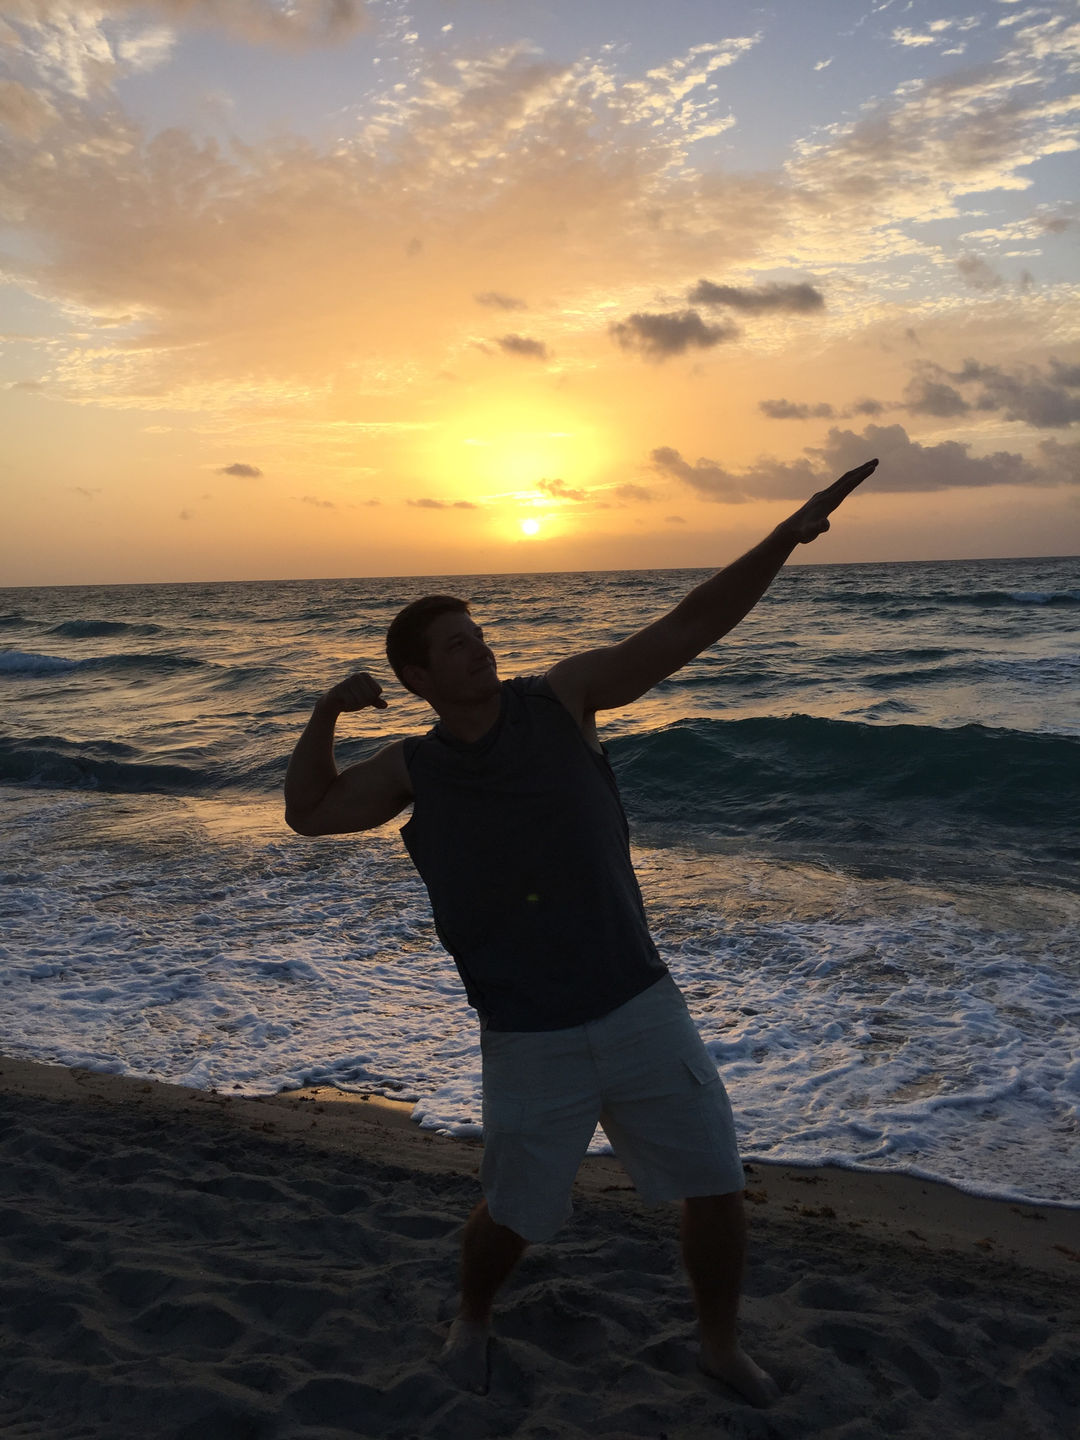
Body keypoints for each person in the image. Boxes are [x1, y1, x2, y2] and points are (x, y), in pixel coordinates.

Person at [284, 458, 878, 1407]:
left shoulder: (563, 699)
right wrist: (324, 709)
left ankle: (719, 1345)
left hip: (637, 999)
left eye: (480, 636)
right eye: (456, 646)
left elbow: (684, 628)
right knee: (514, 1212)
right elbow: (309, 813)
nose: (480, 652)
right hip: (529, 1030)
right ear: (417, 677)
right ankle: (472, 1317)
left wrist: (783, 538)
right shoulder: (411, 769)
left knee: (716, 1184)